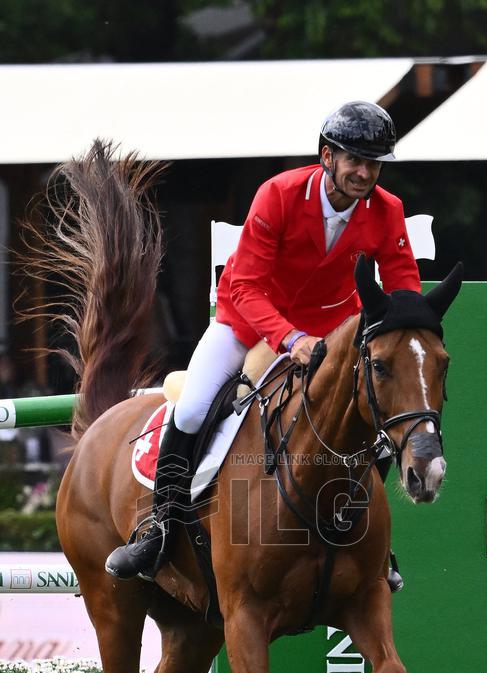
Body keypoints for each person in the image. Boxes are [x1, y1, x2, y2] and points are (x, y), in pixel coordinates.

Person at [106, 101, 421, 584]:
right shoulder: (278, 194)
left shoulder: (387, 210)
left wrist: (406, 328)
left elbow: (402, 285)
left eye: (373, 163)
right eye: (354, 160)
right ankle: (161, 528)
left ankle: (374, 543)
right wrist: (288, 337)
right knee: (192, 409)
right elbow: (246, 286)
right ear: (327, 157)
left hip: (331, 332)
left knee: (373, 414)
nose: (364, 173)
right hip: (250, 320)